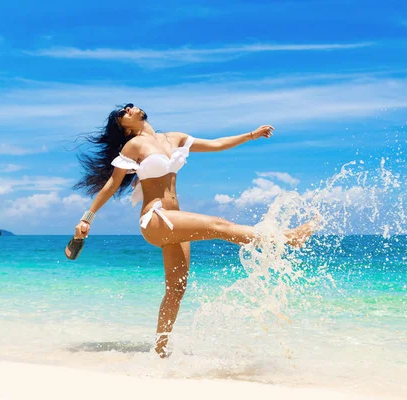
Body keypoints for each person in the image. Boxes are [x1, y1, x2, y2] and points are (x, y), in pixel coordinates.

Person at [73, 103, 317, 357]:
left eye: (129, 106)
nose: (130, 108)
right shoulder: (132, 146)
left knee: (176, 290)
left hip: (175, 221)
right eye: (124, 112)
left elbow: (217, 144)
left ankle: (159, 351)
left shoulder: (174, 138)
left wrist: (251, 135)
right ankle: (287, 239)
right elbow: (112, 184)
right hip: (155, 219)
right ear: (124, 129)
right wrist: (87, 218)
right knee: (219, 225)